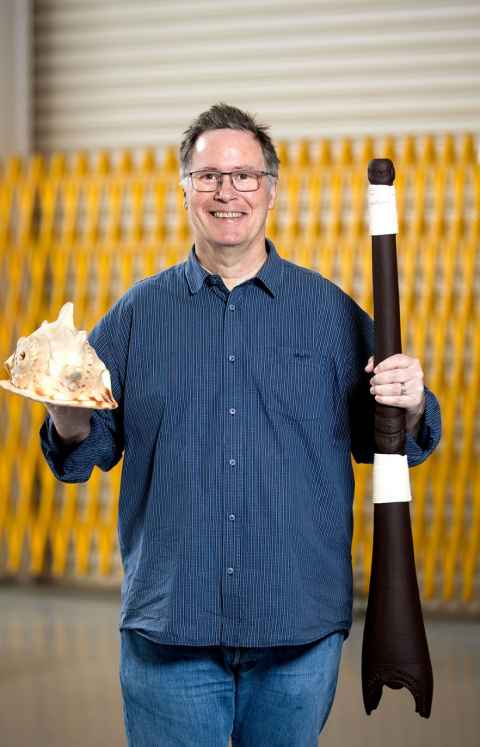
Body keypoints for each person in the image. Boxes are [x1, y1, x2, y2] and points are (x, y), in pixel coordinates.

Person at [40, 103, 441, 747]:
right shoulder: (137, 316)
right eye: (209, 177)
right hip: (171, 629)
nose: (227, 192)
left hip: (297, 628)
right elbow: (84, 453)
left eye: (245, 176)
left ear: (271, 190)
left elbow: (396, 437)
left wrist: (412, 400)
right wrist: (66, 418)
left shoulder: (326, 314)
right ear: (185, 190)